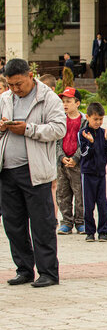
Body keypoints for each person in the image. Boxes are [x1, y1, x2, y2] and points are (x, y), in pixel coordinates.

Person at [1, 58, 66, 288]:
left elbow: (59, 128)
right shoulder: (5, 98)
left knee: (42, 223)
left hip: (34, 171)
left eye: (18, 83)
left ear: (30, 76)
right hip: (7, 172)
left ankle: (48, 272)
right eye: (10, 85)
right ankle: (24, 269)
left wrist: (28, 129)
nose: (15, 89)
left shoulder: (47, 97)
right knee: (13, 224)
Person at [78, 102, 107, 243]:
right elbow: (84, 154)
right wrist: (90, 143)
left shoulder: (103, 132)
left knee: (102, 204)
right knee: (89, 204)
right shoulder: (83, 133)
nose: (98, 122)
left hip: (101, 173)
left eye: (100, 119)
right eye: (95, 119)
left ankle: (103, 231)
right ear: (88, 117)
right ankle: (90, 231)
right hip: (88, 173)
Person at [56, 87, 86, 235]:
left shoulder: (84, 121)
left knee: (80, 193)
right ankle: (66, 222)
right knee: (62, 193)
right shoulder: (59, 119)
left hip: (78, 164)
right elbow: (55, 141)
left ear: (77, 103)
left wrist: (75, 158)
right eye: (63, 102)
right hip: (62, 164)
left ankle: (81, 221)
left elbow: (85, 143)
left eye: (69, 101)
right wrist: (61, 157)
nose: (65, 105)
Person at [38, 74, 59, 220]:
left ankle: (53, 217)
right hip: (42, 153)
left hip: (56, 153)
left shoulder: (55, 105)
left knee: (54, 187)